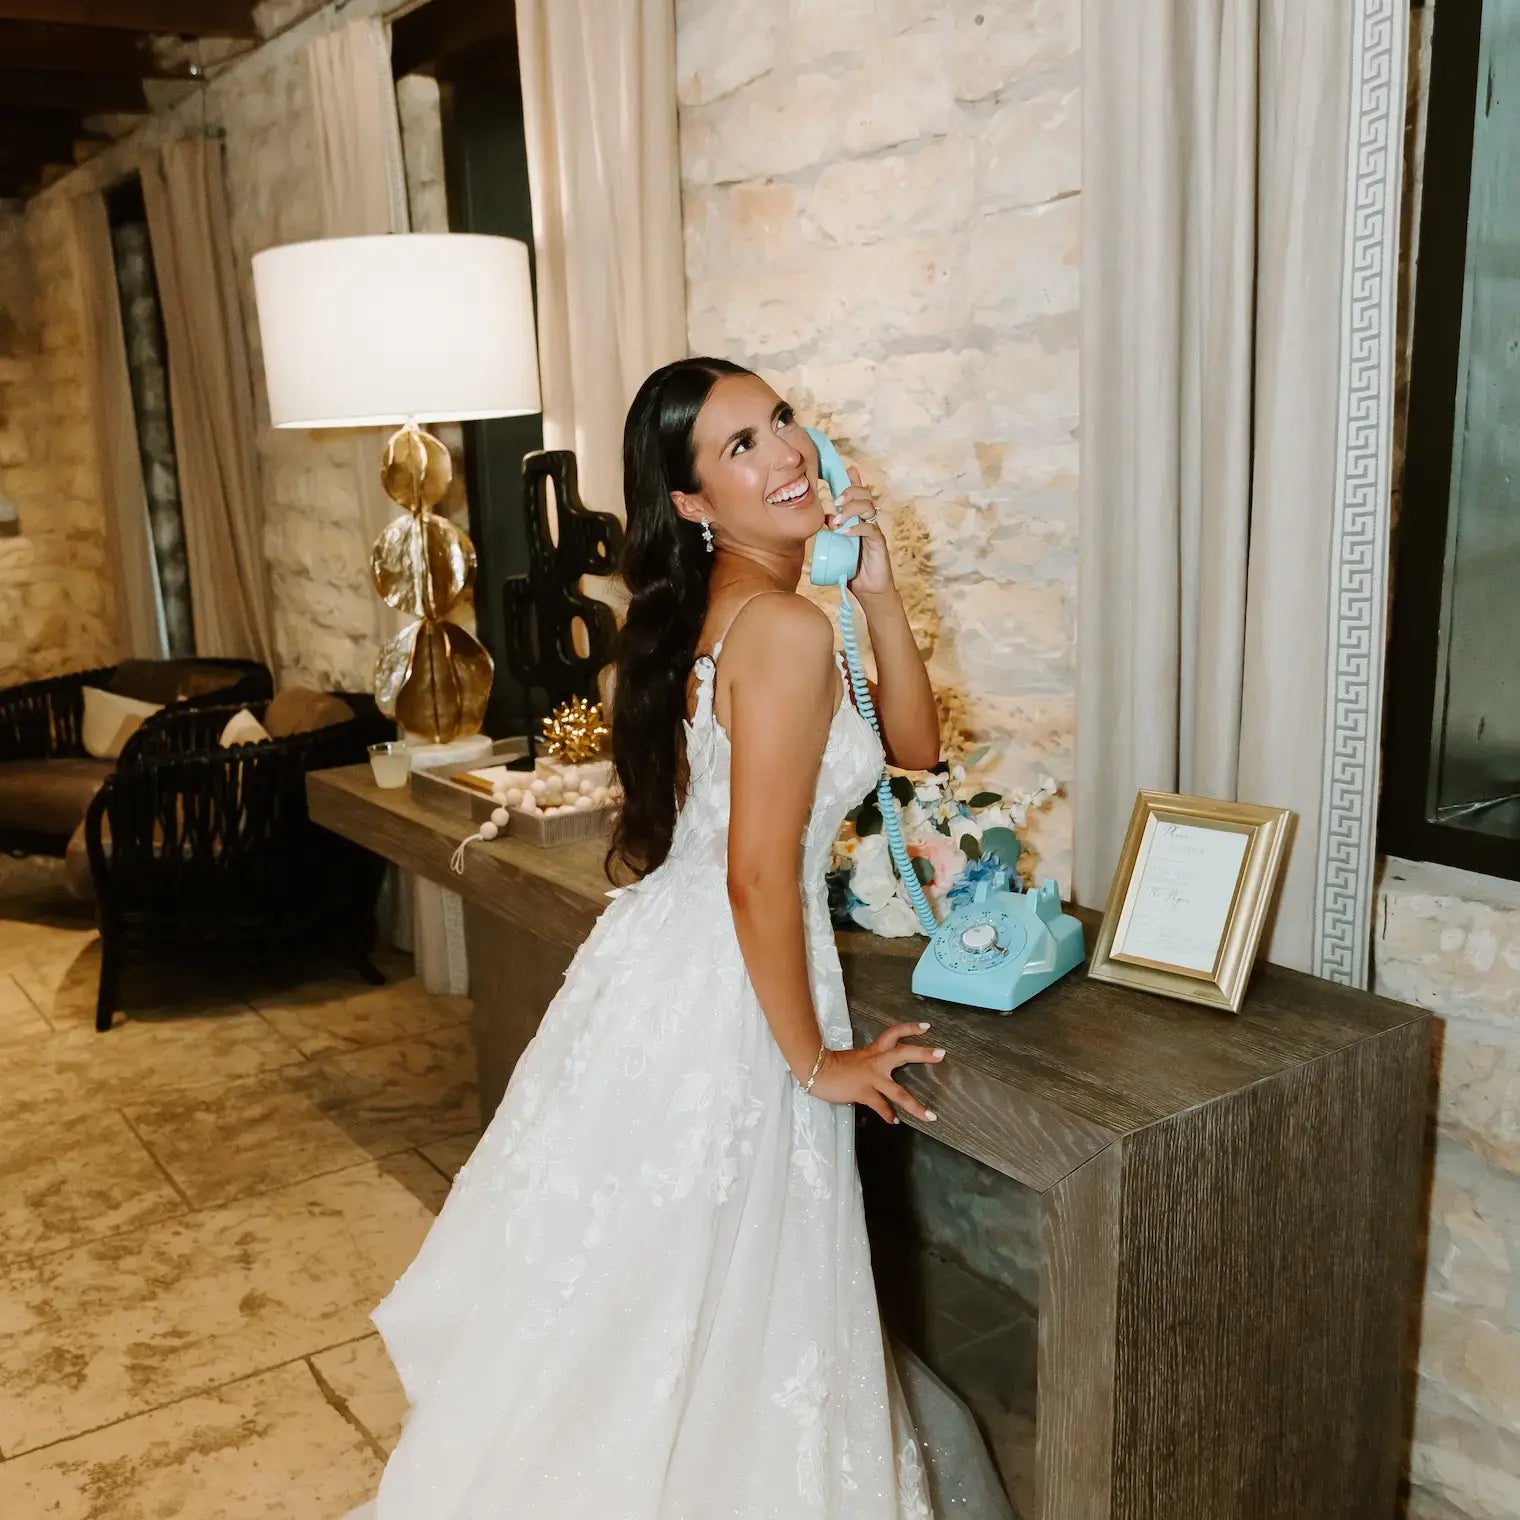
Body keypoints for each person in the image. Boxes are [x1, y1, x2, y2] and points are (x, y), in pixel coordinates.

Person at [346, 357, 952, 1518]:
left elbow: (911, 747)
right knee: (718, 1303)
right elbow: (755, 877)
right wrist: (815, 1061)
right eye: (738, 448)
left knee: (650, 1305)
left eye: (779, 422)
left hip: (664, 970)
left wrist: (875, 587)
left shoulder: (733, 613)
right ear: (688, 502)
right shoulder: (775, 627)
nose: (782, 454)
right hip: (734, 992)